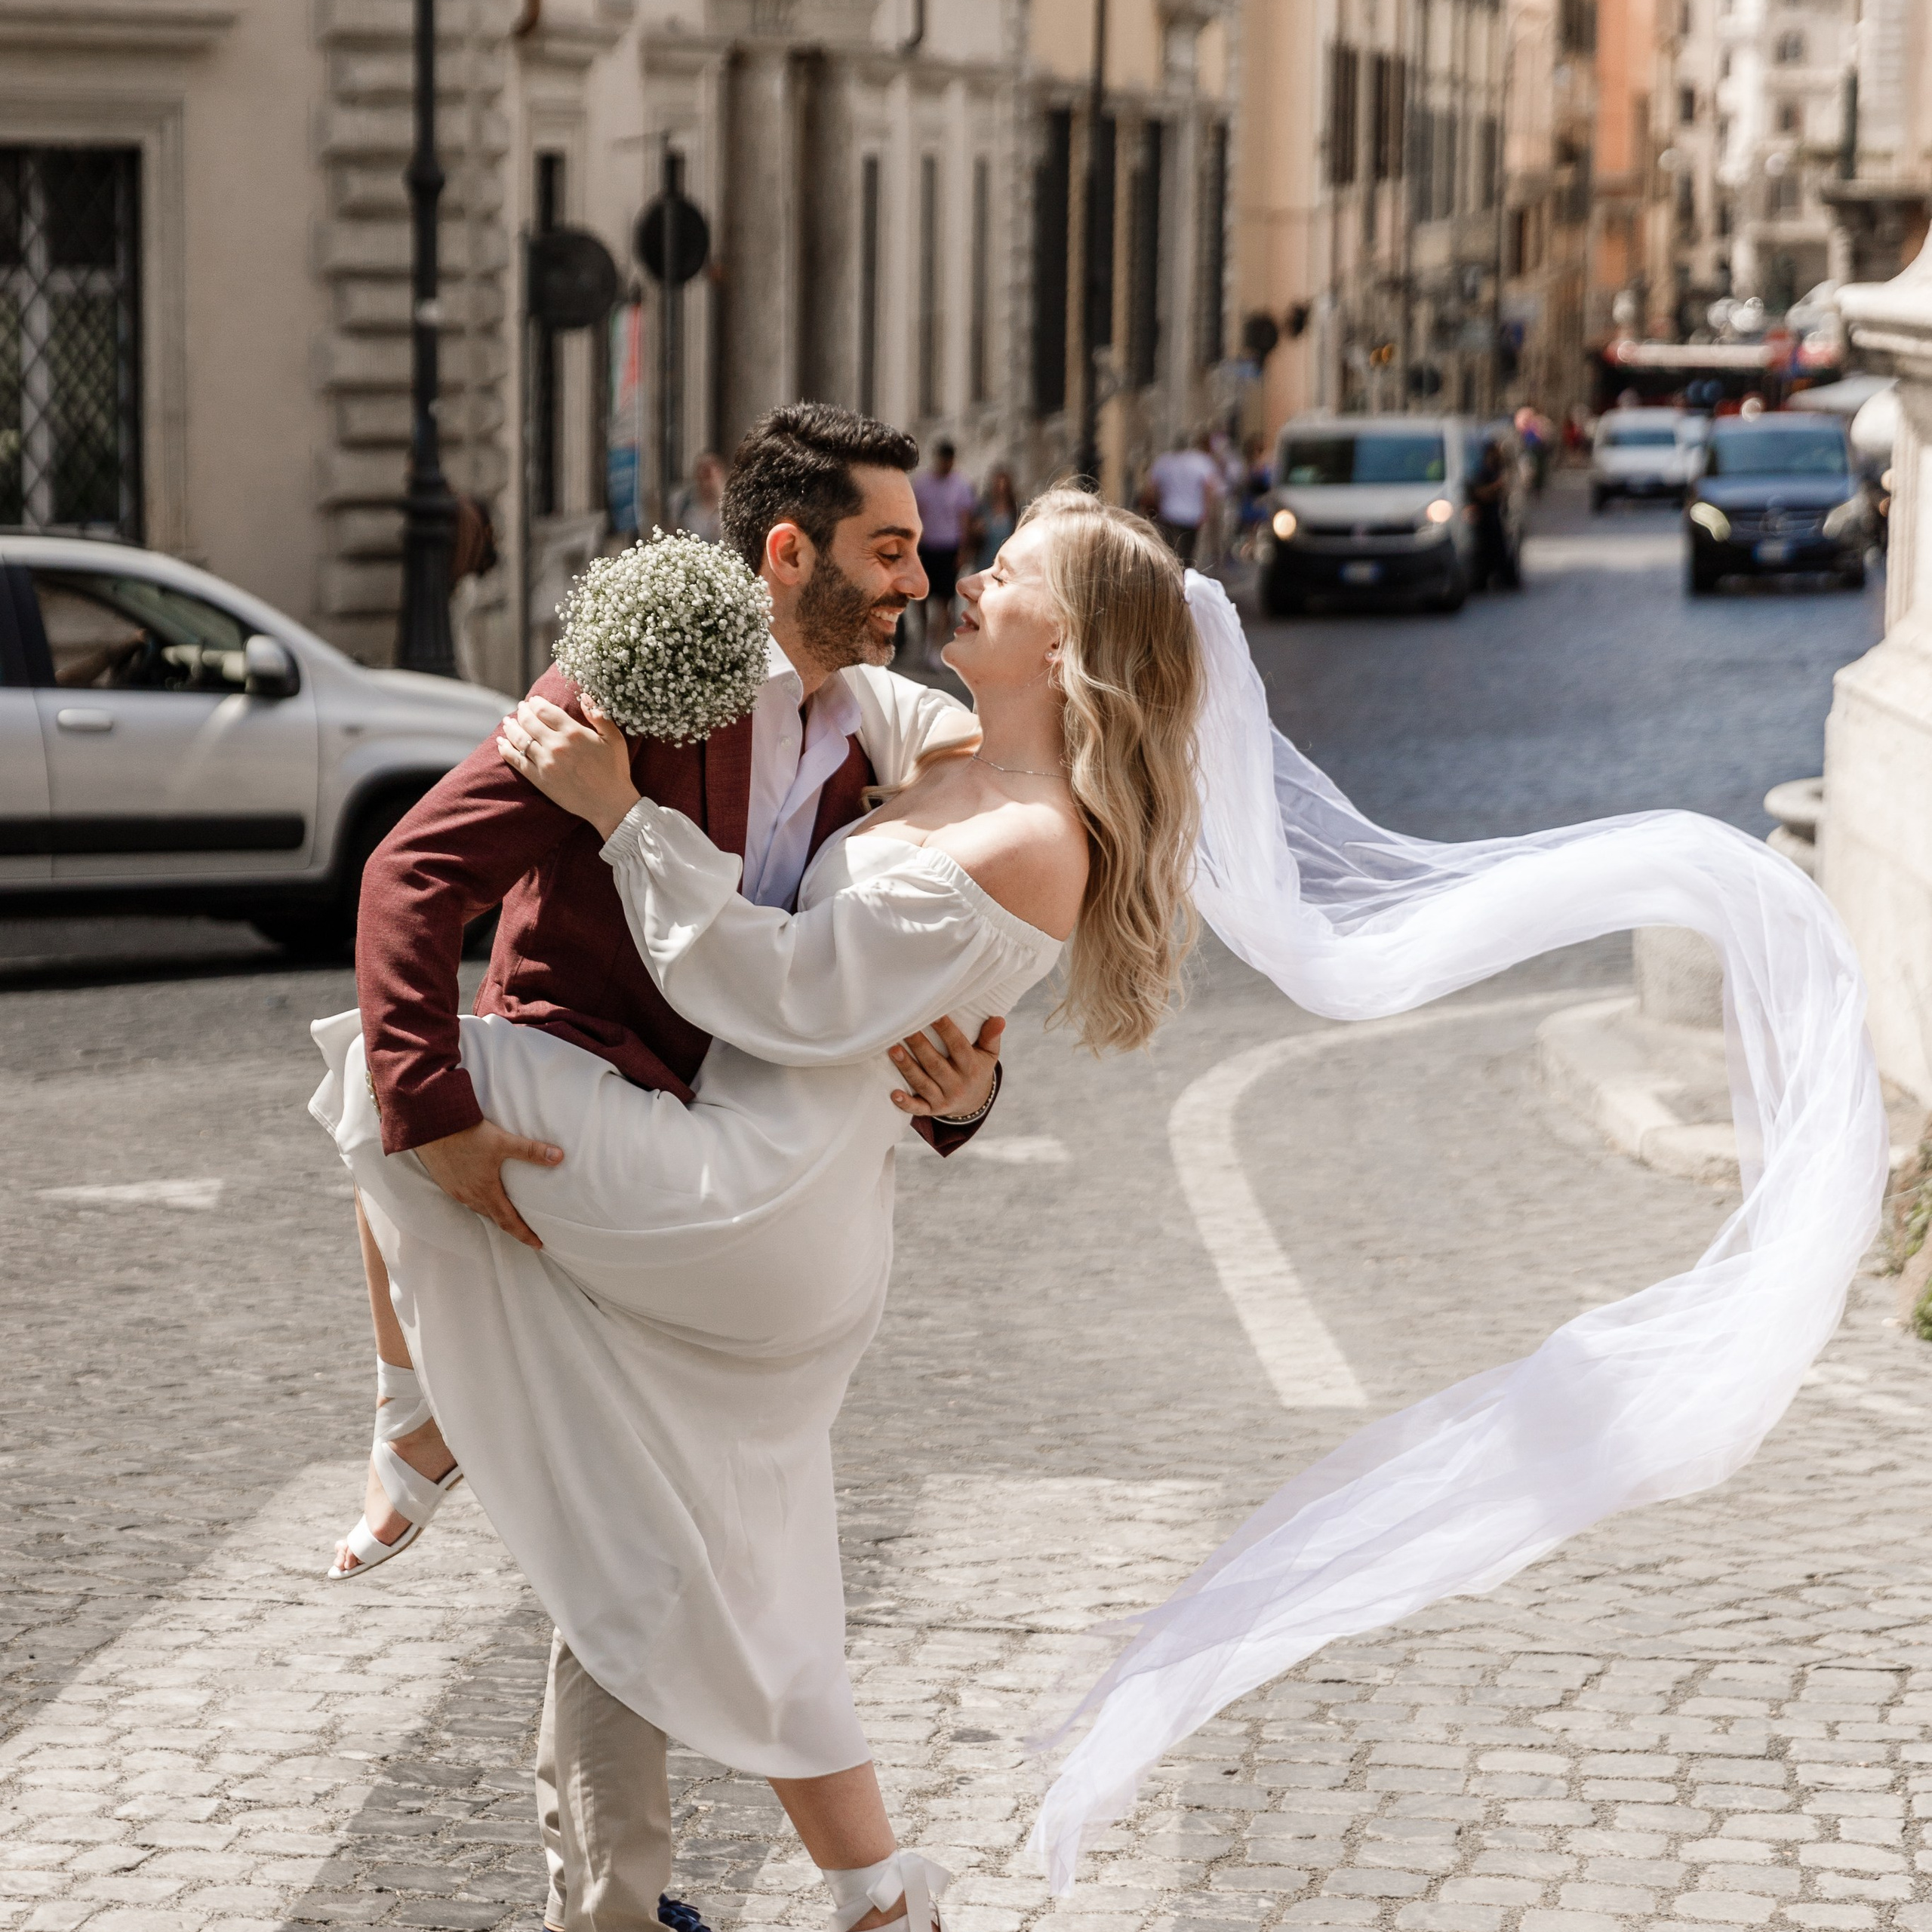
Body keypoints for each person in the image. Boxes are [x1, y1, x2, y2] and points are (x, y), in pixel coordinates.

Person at [312, 488, 1201, 1932]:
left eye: (1010, 572)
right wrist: (970, 1084)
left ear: (1075, 642)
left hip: (751, 1196)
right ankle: (860, 1898)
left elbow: (783, 997)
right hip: (787, 1204)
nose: (962, 578)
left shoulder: (1038, 833)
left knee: (392, 1075)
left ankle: (412, 1411)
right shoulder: (940, 742)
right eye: (914, 551)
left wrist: (618, 818)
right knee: (682, 1550)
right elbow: (901, 947)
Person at [910, 439, 978, 668]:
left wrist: (963, 550)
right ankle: (924, 636)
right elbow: (916, 514)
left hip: (949, 547)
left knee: (943, 600)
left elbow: (965, 520)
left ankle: (935, 644)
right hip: (926, 545)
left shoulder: (960, 485)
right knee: (920, 597)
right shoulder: (923, 484)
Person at [1142, 429, 1223, 564]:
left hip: (1168, 512)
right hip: (1192, 514)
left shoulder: (1164, 461)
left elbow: (1151, 489)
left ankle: (1170, 576)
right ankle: (1183, 577)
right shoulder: (1201, 461)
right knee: (1187, 552)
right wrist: (1206, 511)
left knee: (1169, 550)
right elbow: (1209, 488)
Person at [669, 450, 726, 543]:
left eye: (710, 473)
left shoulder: (730, 504)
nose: (707, 478)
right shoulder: (682, 502)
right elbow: (672, 531)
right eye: (703, 470)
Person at [972, 466, 1018, 570]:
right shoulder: (984, 508)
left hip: (1006, 559)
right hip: (985, 557)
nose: (1000, 490)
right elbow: (973, 533)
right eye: (997, 486)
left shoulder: (1014, 511)